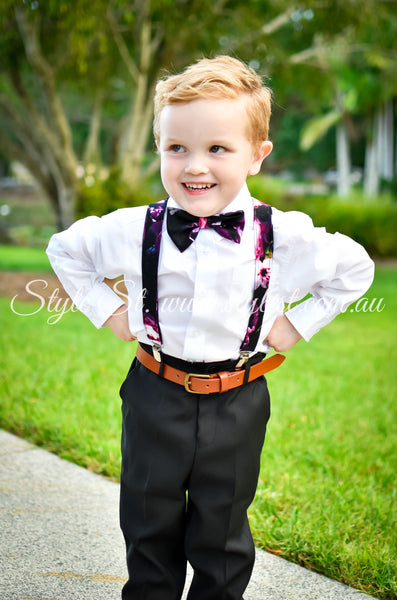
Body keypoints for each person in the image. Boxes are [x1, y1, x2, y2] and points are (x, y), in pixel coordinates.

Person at [46, 55, 374, 600]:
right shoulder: (133, 229)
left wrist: (298, 323)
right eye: (178, 148)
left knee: (222, 531)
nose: (195, 166)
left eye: (217, 148)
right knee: (148, 522)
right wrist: (109, 311)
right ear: (159, 148)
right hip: (155, 391)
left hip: (237, 399)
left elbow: (356, 269)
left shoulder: (286, 236)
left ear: (257, 155)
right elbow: (65, 250)